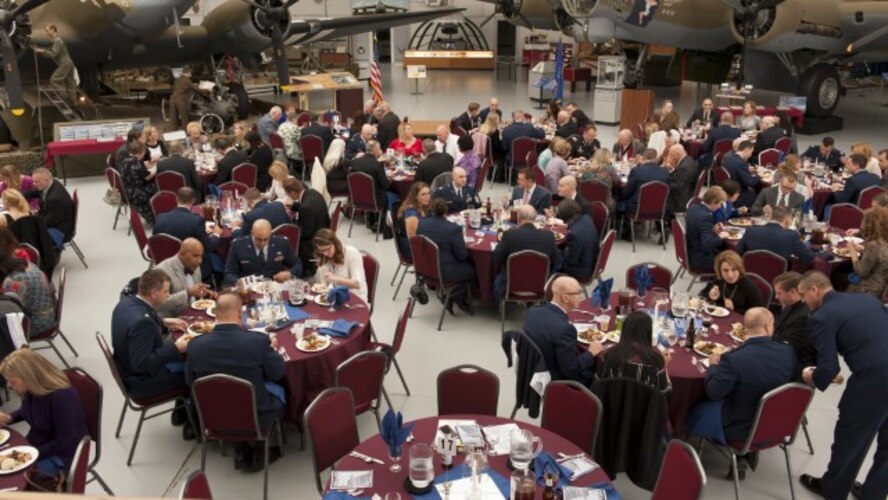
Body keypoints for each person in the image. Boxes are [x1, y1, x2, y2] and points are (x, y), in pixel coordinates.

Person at [797, 271, 888, 500]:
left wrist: (811, 376)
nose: (803, 301)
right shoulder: (868, 299)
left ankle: (833, 489)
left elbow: (829, 370)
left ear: (814, 290)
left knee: (851, 437)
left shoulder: (822, 317)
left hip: (874, 380)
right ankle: (873, 493)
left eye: (803, 295)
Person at [185, 292, 286, 472]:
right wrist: (272, 349)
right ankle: (264, 448)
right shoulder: (257, 342)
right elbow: (277, 373)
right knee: (280, 392)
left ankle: (239, 447)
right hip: (256, 417)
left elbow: (190, 382)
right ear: (240, 313)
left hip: (212, 416)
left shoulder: (195, 346)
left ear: (215, 313)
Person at [693, 307, 794, 477]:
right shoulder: (789, 352)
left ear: (745, 328)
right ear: (769, 327)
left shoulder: (734, 359)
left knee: (694, 408)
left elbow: (713, 393)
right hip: (779, 424)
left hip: (740, 428)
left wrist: (713, 367)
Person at [111, 269, 192, 436]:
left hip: (127, 368)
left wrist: (163, 323)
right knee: (198, 371)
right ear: (154, 292)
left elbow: (138, 326)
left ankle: (182, 411)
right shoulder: (143, 322)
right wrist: (176, 348)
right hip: (143, 382)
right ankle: (194, 423)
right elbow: (142, 364)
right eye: (166, 292)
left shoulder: (127, 303)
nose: (168, 295)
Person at [0, 349, 88, 475]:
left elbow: (64, 441)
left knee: (11, 476)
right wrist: (9, 417)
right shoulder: (32, 388)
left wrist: (28, 455)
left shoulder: (62, 397)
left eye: (12, 381)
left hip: (62, 454)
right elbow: (28, 411)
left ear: (29, 377)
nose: (8, 386)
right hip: (39, 443)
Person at [524, 276, 602, 385]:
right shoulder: (565, 330)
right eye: (578, 292)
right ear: (565, 298)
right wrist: (591, 352)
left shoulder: (532, 311)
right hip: (555, 381)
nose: (581, 296)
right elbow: (570, 370)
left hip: (533, 370)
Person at [416, 198, 476, 313]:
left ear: (432, 209)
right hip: (444, 272)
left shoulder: (422, 223)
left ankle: (450, 295)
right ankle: (454, 296)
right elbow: (462, 256)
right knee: (473, 270)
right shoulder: (453, 228)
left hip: (424, 268)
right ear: (446, 211)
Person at [493, 205, 562, 297]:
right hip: (541, 285)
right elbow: (558, 261)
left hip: (511, 285)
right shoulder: (548, 236)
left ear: (518, 217)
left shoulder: (509, 235)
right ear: (535, 218)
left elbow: (496, 258)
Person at [597, 311, 671, 395]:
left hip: (609, 405)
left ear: (624, 330)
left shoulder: (609, 355)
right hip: (644, 407)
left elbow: (598, 383)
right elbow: (665, 393)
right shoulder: (656, 361)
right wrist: (665, 366)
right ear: (648, 333)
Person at [0, 229, 56, 334]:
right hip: (45, 316)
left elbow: (9, 311)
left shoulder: (15, 279)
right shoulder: (23, 263)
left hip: (35, 323)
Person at [223, 220, 302, 286]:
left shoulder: (282, 243)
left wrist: (289, 273)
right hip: (250, 288)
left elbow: (297, 264)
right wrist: (237, 282)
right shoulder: (238, 245)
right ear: (252, 233)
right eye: (259, 239)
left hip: (275, 286)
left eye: (266, 239)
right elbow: (229, 273)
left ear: (270, 234)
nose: (262, 243)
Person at [154, 238, 214, 318]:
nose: (200, 261)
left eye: (201, 256)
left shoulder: (194, 265)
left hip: (194, 314)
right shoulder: (161, 271)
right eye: (195, 256)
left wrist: (204, 292)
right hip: (173, 320)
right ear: (182, 254)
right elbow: (157, 305)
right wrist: (187, 293)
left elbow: (195, 293)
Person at [282, 178, 330, 277]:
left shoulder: (306, 208)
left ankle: (302, 271)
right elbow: (305, 205)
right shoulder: (312, 193)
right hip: (324, 228)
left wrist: (293, 226)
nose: (287, 196)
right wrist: (293, 206)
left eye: (287, 194)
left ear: (292, 193)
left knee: (288, 240)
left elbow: (305, 233)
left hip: (314, 240)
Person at [737, 205, 814, 264]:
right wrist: (807, 244)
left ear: (771, 217)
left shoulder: (751, 230)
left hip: (750, 274)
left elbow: (738, 251)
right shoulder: (791, 236)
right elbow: (809, 257)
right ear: (787, 221)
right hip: (778, 280)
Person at [772, 272, 816, 373]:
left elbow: (784, 345)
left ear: (792, 292)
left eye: (779, 293)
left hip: (794, 367)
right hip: (782, 354)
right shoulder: (790, 305)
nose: (776, 297)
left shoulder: (804, 317)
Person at [700, 250, 765, 314]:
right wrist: (710, 296)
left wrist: (734, 309)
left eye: (734, 270)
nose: (730, 275)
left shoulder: (749, 286)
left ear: (739, 269)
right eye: (725, 270)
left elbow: (759, 314)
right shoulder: (718, 279)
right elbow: (702, 295)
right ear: (720, 271)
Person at [24, 168, 74, 248]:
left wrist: (31, 223)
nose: (34, 184)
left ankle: (46, 258)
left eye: (36, 181)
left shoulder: (55, 198)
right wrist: (16, 196)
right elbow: (33, 192)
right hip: (53, 221)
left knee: (26, 235)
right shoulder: (50, 183)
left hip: (60, 231)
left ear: (46, 180)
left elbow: (49, 222)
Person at [312, 228, 367, 300]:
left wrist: (336, 279)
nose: (325, 253)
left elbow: (357, 284)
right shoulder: (322, 256)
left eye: (328, 249)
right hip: (335, 297)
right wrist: (319, 286)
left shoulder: (352, 253)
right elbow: (325, 283)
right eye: (322, 250)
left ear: (335, 243)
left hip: (354, 298)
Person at [845, 206, 888, 297]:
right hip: (882, 285)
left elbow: (861, 271)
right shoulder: (884, 240)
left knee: (838, 277)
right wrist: (863, 249)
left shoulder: (873, 245)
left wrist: (852, 252)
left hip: (869, 289)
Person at [349, 139, 392, 225]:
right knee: (394, 195)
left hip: (357, 199)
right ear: (375, 150)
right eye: (379, 149)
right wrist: (390, 179)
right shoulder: (377, 165)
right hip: (376, 201)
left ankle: (371, 220)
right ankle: (386, 225)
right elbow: (385, 185)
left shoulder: (355, 163)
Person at [686, 186, 727, 271]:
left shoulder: (693, 208)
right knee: (733, 261)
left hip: (691, 252)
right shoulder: (706, 217)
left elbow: (697, 230)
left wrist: (712, 230)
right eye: (719, 203)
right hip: (701, 258)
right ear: (713, 202)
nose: (720, 207)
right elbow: (707, 244)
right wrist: (721, 236)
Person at [34, 24, 78, 103]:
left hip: (65, 64)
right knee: (69, 83)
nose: (47, 33)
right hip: (68, 63)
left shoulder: (57, 41)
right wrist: (41, 50)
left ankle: (64, 96)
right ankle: (73, 102)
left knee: (54, 79)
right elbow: (49, 51)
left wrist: (42, 51)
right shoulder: (55, 41)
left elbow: (53, 54)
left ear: (53, 30)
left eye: (47, 31)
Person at [556, 199, 598, 283]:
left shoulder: (574, 234)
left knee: (550, 257)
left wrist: (555, 251)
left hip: (580, 270)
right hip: (590, 260)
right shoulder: (586, 218)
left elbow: (571, 260)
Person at [619, 148, 670, 214]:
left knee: (620, 199)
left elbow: (628, 191)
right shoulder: (665, 172)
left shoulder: (636, 171)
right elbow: (668, 190)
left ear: (643, 157)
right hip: (659, 208)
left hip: (637, 208)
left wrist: (620, 195)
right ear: (656, 158)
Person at [120, 141, 158, 224]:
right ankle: (157, 212)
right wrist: (157, 169)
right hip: (139, 194)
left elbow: (140, 169)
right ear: (141, 152)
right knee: (158, 186)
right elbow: (147, 177)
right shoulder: (136, 162)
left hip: (129, 191)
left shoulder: (126, 160)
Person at [395, 182, 431, 257]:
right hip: (411, 249)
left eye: (428, 193)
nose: (427, 197)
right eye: (423, 194)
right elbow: (413, 240)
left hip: (422, 240)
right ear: (415, 197)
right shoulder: (411, 215)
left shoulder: (422, 206)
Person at [721, 140, 760, 208]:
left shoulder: (727, 158)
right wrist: (759, 176)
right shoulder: (741, 163)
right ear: (746, 150)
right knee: (759, 196)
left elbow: (736, 170)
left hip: (726, 190)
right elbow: (749, 182)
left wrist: (746, 170)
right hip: (738, 193)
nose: (751, 155)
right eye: (751, 152)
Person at [665, 144, 698, 214]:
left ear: (677, 155)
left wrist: (665, 181)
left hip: (680, 201)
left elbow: (677, 187)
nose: (670, 157)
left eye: (671, 155)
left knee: (657, 198)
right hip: (686, 193)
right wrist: (671, 171)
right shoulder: (688, 160)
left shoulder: (684, 167)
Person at [169, 66, 205, 131]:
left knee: (174, 120)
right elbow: (197, 90)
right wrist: (208, 90)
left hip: (173, 101)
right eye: (190, 73)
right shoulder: (187, 81)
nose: (191, 75)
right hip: (181, 102)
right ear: (187, 73)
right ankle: (186, 133)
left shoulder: (177, 79)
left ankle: (173, 132)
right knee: (184, 119)